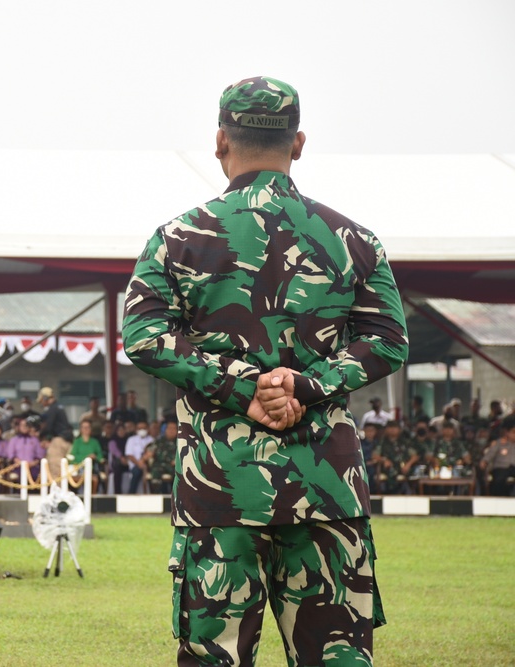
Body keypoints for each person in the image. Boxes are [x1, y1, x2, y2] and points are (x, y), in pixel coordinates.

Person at [121, 77, 408, 665]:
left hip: (222, 491)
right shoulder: (354, 240)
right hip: (326, 487)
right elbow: (388, 341)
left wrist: (243, 390)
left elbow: (143, 338)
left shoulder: (177, 239)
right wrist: (306, 385)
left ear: (220, 140)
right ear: (298, 143)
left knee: (215, 658)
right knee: (337, 658)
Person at [481, 416, 515, 496]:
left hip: (513, 468)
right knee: (499, 480)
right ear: (507, 432)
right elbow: (489, 455)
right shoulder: (499, 443)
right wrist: (484, 462)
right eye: (513, 432)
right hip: (501, 468)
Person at [68, 419, 104, 493]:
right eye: (84, 427)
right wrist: (86, 458)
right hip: (78, 469)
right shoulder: (77, 442)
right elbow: (72, 457)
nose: (86, 429)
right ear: (80, 429)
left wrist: (95, 457)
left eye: (88, 427)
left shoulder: (95, 442)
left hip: (92, 469)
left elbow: (100, 456)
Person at [144, 420, 178, 495]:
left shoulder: (180, 442)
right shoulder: (158, 441)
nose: (171, 431)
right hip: (159, 464)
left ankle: (176, 496)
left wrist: (177, 461)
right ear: (165, 430)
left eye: (174, 429)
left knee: (178, 473)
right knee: (155, 471)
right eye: (169, 428)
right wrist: (148, 455)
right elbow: (149, 452)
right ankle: (156, 495)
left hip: (173, 465)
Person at [124, 420, 154, 494]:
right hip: (135, 465)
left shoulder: (151, 440)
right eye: (139, 428)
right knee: (137, 472)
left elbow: (152, 452)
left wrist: (144, 460)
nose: (142, 430)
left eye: (144, 428)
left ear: (147, 429)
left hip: (149, 465)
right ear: (136, 429)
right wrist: (139, 463)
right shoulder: (131, 440)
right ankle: (131, 493)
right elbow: (129, 455)